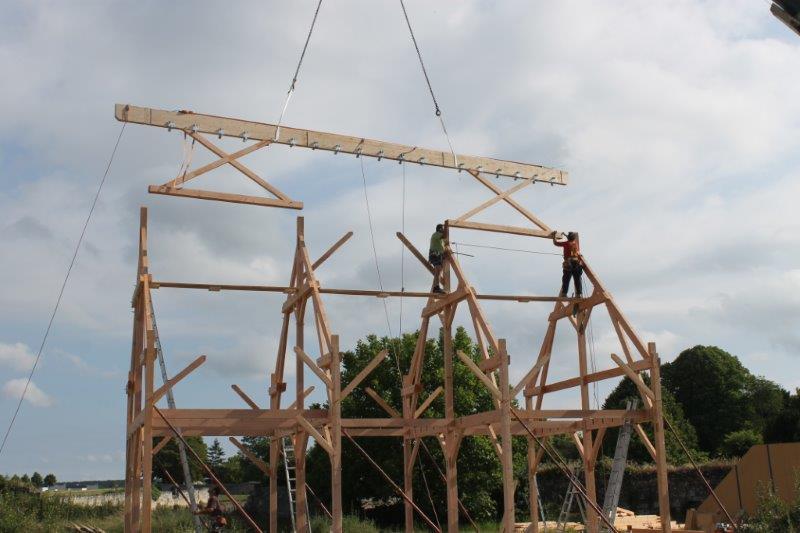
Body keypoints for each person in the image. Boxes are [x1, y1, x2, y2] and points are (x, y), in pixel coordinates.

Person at [552, 231, 582, 298]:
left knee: (566, 279)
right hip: (577, 263)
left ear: (568, 238)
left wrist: (554, 236)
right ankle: (578, 294)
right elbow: (570, 239)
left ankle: (564, 294)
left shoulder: (566, 243)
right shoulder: (575, 244)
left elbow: (555, 243)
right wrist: (565, 235)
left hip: (569, 263)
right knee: (577, 279)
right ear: (574, 238)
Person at [428, 223, 446, 293]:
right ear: (440, 229)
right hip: (435, 255)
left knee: (438, 271)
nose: (444, 230)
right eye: (443, 228)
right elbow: (445, 235)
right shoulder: (436, 234)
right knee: (438, 270)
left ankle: (436, 287)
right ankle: (436, 287)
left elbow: (442, 247)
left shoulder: (441, 239)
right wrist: (447, 227)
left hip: (438, 255)